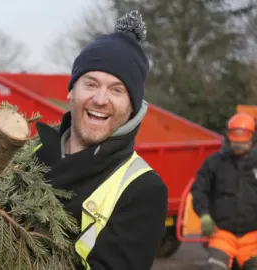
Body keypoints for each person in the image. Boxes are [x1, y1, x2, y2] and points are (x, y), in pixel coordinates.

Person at [33, 10, 168, 270]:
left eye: (117, 90)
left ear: (132, 107)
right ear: (71, 92)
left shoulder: (143, 189)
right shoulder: (29, 154)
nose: (100, 99)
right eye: (91, 84)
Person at [191, 112, 257, 270]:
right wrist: (204, 214)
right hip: (222, 234)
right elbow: (199, 189)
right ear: (228, 137)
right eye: (235, 143)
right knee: (216, 267)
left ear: (252, 140)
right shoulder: (214, 163)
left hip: (252, 237)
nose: (238, 147)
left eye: (243, 143)